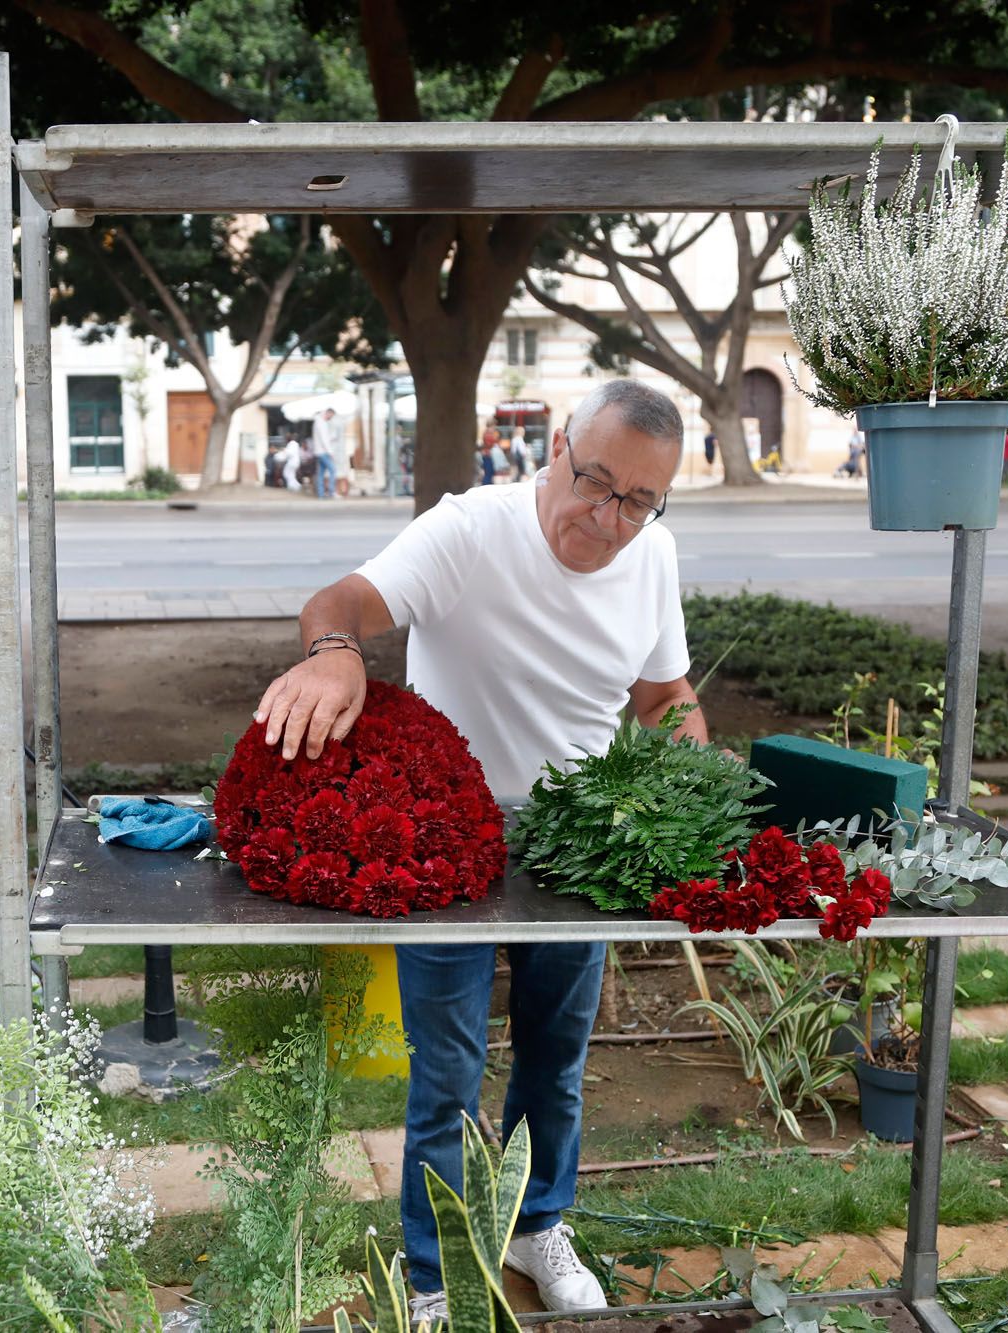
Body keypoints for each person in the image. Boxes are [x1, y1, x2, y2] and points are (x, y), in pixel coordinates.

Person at [253, 379, 707, 1320]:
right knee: (449, 1074)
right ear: (555, 450)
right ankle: (433, 1274)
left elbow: (665, 699)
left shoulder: (653, 554)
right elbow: (338, 600)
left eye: (638, 499)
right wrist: (335, 651)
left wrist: (696, 771)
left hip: (578, 849)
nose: (610, 516)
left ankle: (540, 1226)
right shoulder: (468, 530)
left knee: (557, 1057)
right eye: (595, 482)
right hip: (443, 848)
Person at [311, 407, 343, 499]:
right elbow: (323, 439)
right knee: (333, 470)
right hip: (323, 452)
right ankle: (331, 492)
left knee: (321, 473)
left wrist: (331, 439)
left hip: (319, 451)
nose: (331, 418)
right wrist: (330, 452)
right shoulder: (321, 423)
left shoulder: (319, 422)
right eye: (331, 416)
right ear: (328, 413)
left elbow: (324, 438)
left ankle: (321, 494)